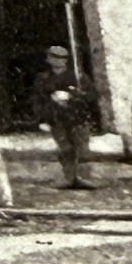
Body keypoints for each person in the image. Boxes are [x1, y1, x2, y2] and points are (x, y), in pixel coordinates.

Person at [33, 44, 98, 190]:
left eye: (60, 58)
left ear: (65, 60)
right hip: (56, 119)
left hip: (77, 118)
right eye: (52, 57)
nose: (55, 60)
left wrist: (71, 95)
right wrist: (42, 120)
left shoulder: (78, 77)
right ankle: (69, 179)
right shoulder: (43, 78)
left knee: (81, 149)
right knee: (65, 149)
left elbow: (91, 96)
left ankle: (84, 178)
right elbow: (39, 100)